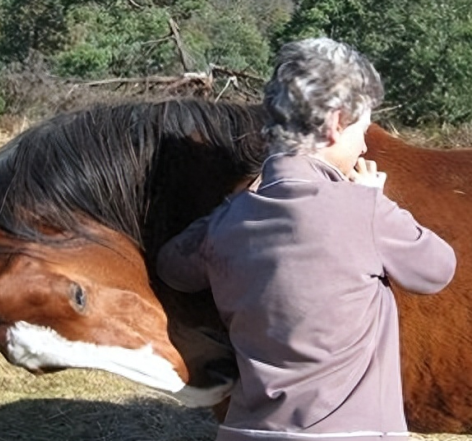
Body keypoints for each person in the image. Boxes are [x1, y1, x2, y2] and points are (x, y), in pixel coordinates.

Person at [156, 37, 456, 441]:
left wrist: (229, 206)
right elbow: (436, 269)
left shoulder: (228, 222)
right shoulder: (362, 210)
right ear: (335, 124)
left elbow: (173, 269)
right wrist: (377, 202)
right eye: (362, 130)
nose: (366, 144)